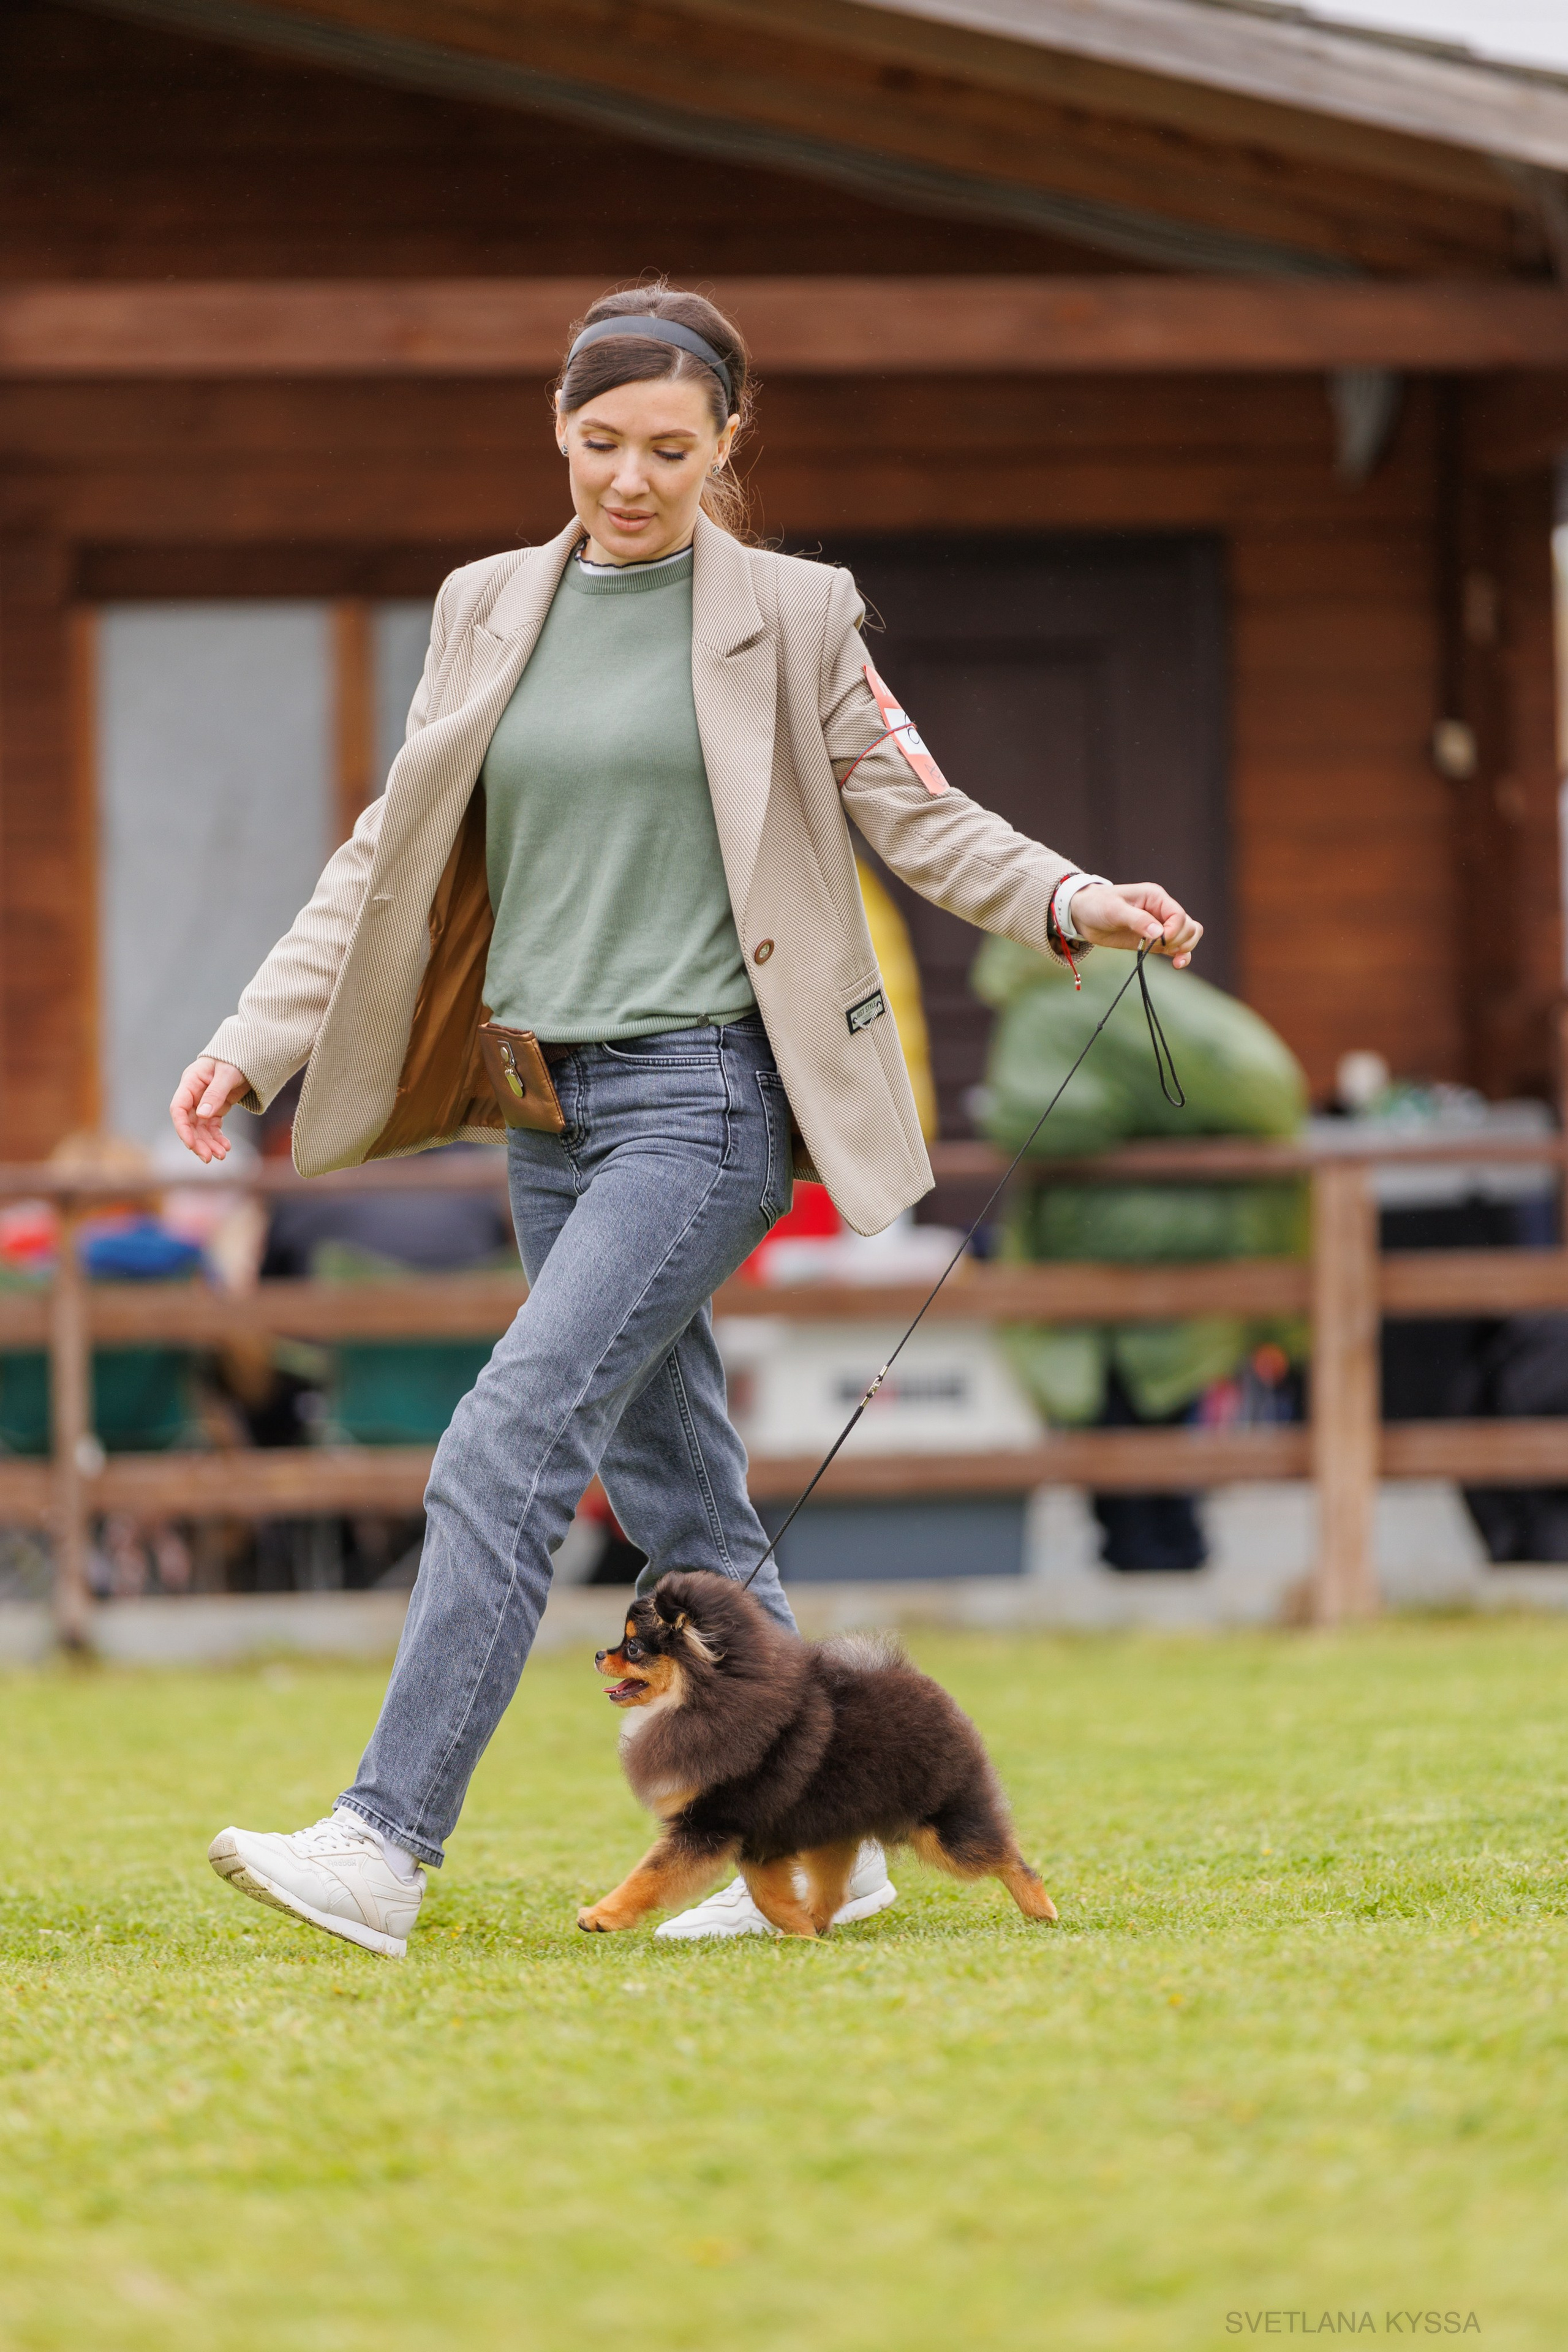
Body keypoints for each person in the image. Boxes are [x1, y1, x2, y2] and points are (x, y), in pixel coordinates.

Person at [172, 283, 1202, 1958]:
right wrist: (252, 1039)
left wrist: (1080, 899)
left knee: (510, 1440)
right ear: (558, 435)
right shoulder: (488, 606)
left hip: (706, 1100)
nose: (630, 480)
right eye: (599, 445)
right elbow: (385, 851)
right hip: (543, 1109)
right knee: (691, 1502)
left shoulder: (796, 618)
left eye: (669, 447)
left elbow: (919, 818)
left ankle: (383, 1840)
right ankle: (837, 1840)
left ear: (729, 443)